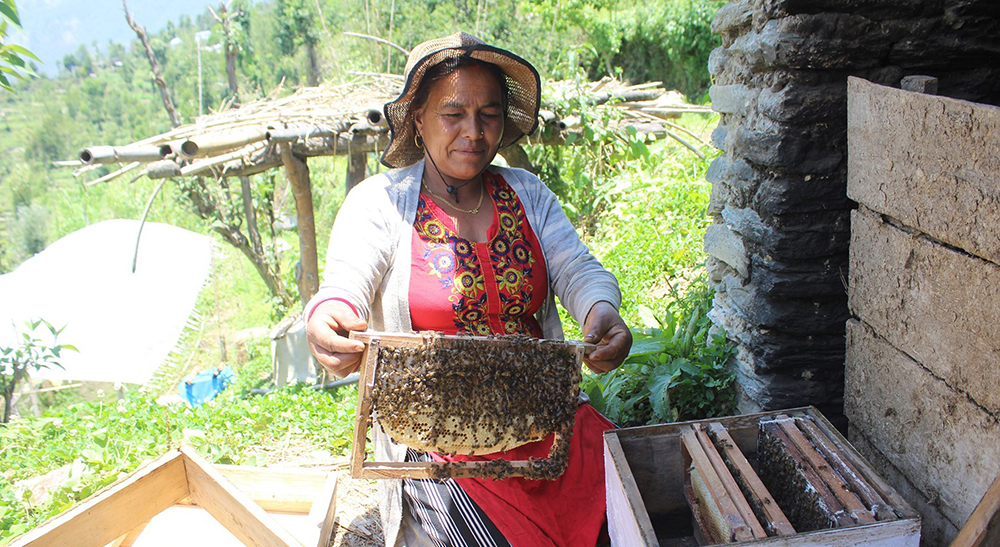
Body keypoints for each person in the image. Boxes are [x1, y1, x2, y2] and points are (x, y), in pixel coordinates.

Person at [305, 32, 632, 547]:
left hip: (543, 420)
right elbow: (346, 280)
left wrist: (600, 309)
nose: (474, 133)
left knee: (634, 511)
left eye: (490, 114)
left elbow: (577, 268)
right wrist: (330, 316)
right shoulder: (380, 204)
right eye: (453, 113)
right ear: (417, 118)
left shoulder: (528, 193)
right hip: (435, 443)